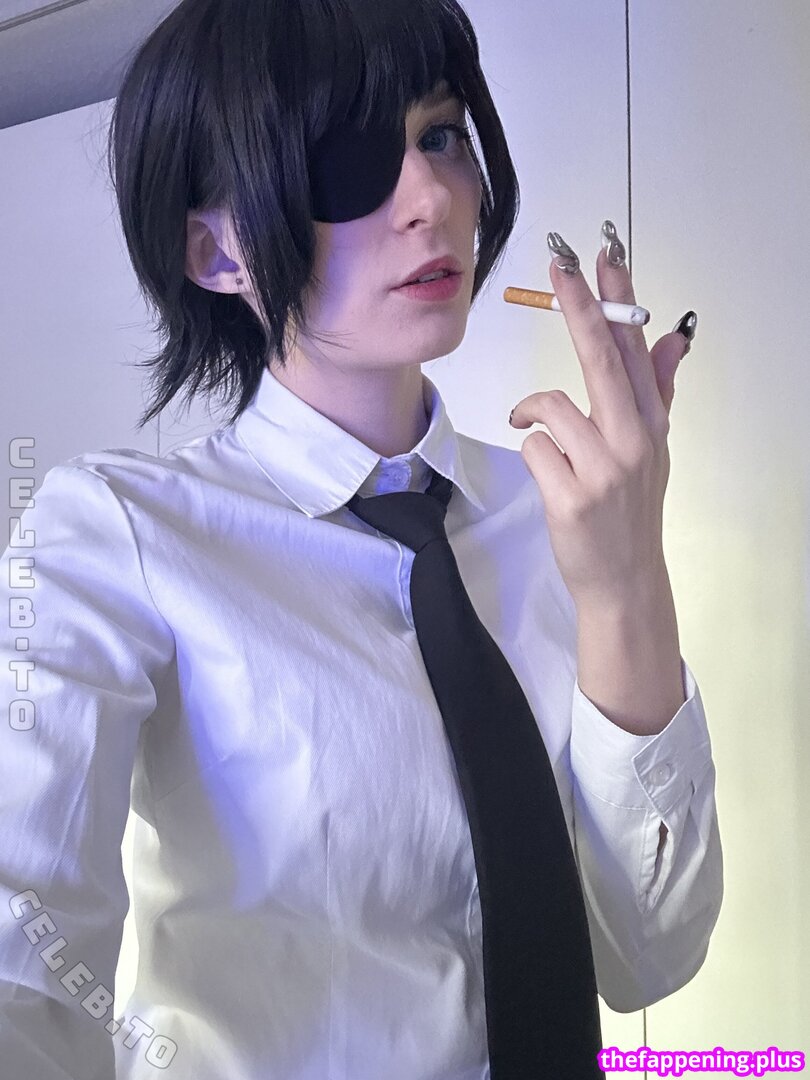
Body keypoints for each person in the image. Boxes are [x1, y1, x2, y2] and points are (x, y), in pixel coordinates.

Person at [0, 0, 723, 1077]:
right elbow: (23, 953)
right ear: (215, 249)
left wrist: (626, 586)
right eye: (342, 160)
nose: (432, 197)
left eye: (442, 134)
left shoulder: (560, 511)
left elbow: (648, 954)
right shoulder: (116, 534)